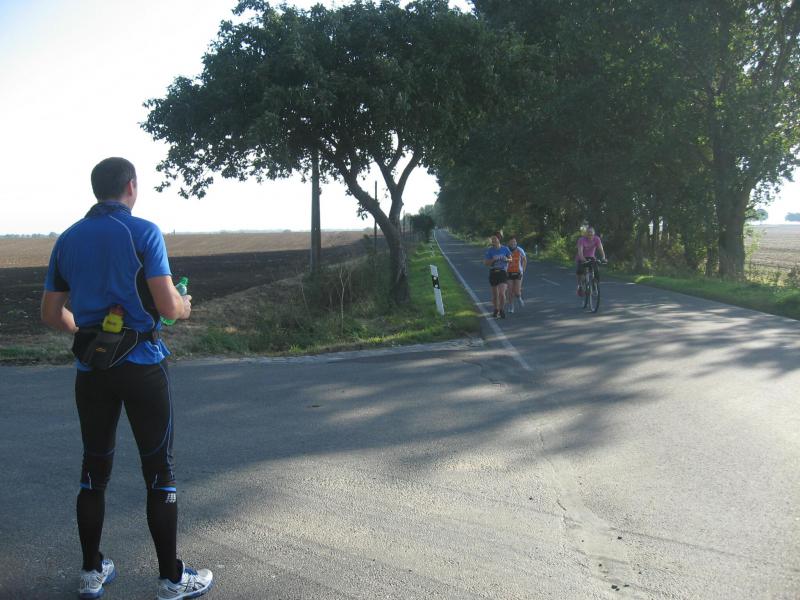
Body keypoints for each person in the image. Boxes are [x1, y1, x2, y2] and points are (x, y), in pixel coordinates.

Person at [41, 157, 214, 600]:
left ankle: (91, 572)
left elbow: (51, 313)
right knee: (159, 471)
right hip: (143, 365)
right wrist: (184, 306)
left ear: (95, 188)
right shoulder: (143, 232)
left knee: (93, 470)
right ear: (131, 187)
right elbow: (169, 307)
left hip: (92, 370)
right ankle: (171, 580)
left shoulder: (68, 239)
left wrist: (85, 332)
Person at [483, 235, 512, 318]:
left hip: (502, 272)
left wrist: (506, 259)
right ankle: (496, 309)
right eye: (492, 240)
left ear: (499, 239)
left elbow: (511, 259)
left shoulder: (505, 249)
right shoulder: (490, 250)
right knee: (495, 295)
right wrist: (493, 259)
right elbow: (485, 263)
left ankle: (501, 309)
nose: (494, 241)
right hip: (493, 272)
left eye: (495, 239)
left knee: (502, 293)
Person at [576, 226, 606, 295]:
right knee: (580, 272)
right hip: (581, 257)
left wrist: (603, 257)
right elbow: (580, 252)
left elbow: (601, 249)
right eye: (588, 233)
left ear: (594, 233)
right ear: (586, 233)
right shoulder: (581, 240)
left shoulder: (597, 239)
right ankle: (580, 286)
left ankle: (595, 285)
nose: (590, 234)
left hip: (591, 257)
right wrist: (583, 260)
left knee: (596, 271)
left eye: (591, 233)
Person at [505, 236, 527, 313]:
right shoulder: (505, 250)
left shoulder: (520, 250)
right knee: (510, 291)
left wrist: (523, 270)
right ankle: (511, 306)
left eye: (514, 242)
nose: (513, 243)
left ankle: (519, 297)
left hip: (518, 272)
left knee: (517, 292)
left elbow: (524, 260)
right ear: (508, 243)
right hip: (508, 272)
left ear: (516, 242)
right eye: (511, 242)